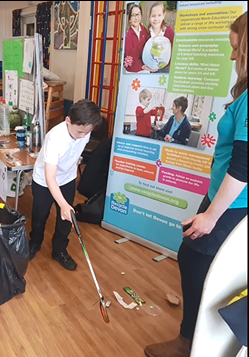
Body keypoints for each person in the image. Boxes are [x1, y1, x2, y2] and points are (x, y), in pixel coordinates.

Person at [144, 12, 247, 357]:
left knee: (196, 263)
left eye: (236, 49)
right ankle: (194, 340)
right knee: (196, 263)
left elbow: (244, 165)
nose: (232, 57)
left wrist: (211, 216)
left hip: (230, 205)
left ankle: (190, 344)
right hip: (226, 201)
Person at [28, 100, 103, 270]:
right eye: (80, 131)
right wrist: (63, 204)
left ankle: (59, 250)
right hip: (44, 181)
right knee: (40, 216)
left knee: (66, 219)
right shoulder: (55, 137)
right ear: (68, 120)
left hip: (67, 179)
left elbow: (75, 154)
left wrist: (73, 173)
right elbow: (50, 177)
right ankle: (35, 242)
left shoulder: (84, 131)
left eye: (87, 132)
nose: (83, 136)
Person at [147, 1, 175, 72]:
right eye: (153, 16)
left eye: (159, 15)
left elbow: (174, 48)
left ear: (163, 15)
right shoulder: (146, 33)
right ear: (149, 17)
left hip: (167, 67)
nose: (156, 19)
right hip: (152, 68)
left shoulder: (169, 30)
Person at [124, 3, 151, 73]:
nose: (136, 18)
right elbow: (130, 56)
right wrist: (142, 66)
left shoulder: (144, 30)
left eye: (138, 14)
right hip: (133, 70)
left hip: (145, 65)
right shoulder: (128, 36)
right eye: (133, 15)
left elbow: (149, 46)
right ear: (129, 19)